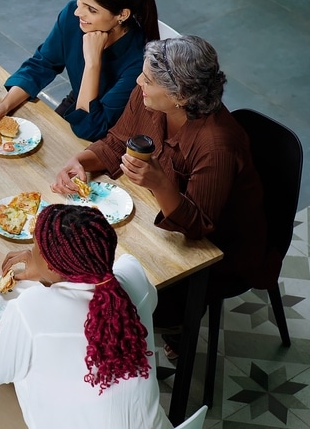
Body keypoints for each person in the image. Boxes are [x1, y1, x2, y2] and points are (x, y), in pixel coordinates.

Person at [51, 35, 266, 354]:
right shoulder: (147, 98)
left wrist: (161, 184)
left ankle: (172, 326)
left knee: (102, 285)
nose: (138, 81)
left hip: (217, 250)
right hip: (155, 219)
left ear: (182, 95)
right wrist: (80, 160)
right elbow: (115, 144)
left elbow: (199, 228)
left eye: (148, 80)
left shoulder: (216, 144)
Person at [0, 204, 172, 429]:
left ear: (52, 266)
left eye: (35, 246)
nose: (31, 251)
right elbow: (148, 301)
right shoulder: (133, 274)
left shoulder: (30, 310)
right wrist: (48, 275)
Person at [0, 0, 159, 141]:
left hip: (116, 132)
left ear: (122, 15)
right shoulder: (75, 17)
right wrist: (4, 106)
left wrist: (92, 63)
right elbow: (43, 64)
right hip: (79, 105)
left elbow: (90, 128)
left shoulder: (138, 61)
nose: (77, 12)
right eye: (80, 0)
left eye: (91, 9)